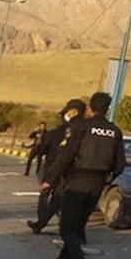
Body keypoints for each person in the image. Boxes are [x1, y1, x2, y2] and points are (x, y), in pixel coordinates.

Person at [40, 92, 127, 259]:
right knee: (77, 228)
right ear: (109, 108)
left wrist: (50, 180)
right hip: (97, 184)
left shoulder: (83, 127)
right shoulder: (115, 131)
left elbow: (67, 156)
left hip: (77, 181)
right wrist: (107, 178)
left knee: (67, 229)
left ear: (90, 108)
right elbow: (120, 164)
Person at [27, 99, 87, 234]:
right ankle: (47, 224)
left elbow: (55, 153)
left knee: (47, 194)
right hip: (75, 171)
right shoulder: (86, 128)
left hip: (56, 168)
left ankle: (43, 221)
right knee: (60, 198)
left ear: (73, 112)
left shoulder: (63, 131)